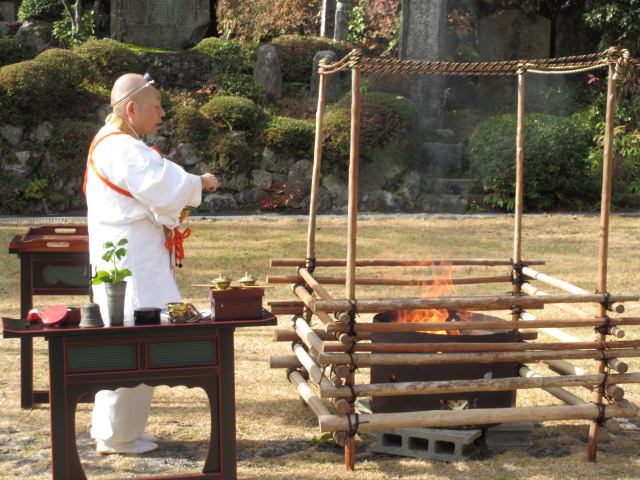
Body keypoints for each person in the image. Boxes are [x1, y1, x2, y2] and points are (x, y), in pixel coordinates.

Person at [84, 72, 219, 455]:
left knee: (133, 341)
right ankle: (116, 436)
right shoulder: (122, 147)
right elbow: (161, 184)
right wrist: (199, 182)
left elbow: (153, 187)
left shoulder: (114, 142)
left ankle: (118, 431)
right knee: (133, 340)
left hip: (131, 256)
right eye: (155, 106)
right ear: (131, 108)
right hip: (130, 262)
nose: (161, 113)